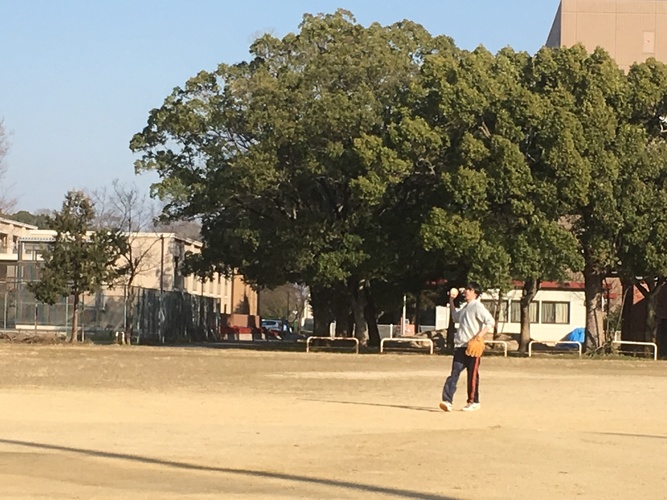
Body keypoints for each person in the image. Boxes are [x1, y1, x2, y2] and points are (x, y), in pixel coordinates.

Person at [439, 282, 495, 412]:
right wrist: (451, 300)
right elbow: (455, 317)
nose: (466, 291)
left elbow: (490, 322)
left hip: (472, 347)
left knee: (472, 375)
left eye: (469, 289)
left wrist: (479, 337)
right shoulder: (466, 307)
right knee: (454, 374)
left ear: (475, 293)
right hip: (461, 346)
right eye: (466, 289)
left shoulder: (477, 306)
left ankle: (473, 401)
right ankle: (447, 401)